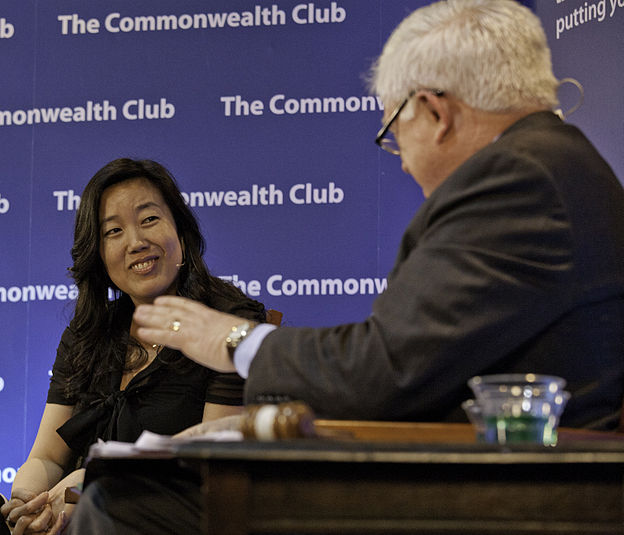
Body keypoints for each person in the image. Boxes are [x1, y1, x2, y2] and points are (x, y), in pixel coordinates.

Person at [68, 1, 624, 533]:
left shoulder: (514, 181)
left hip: (497, 488)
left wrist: (234, 339)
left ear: (434, 111)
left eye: (393, 136)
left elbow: (384, 370)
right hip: (493, 470)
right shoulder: (554, 164)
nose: (402, 160)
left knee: (125, 505)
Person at [0, 158, 265, 535]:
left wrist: (91, 486)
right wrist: (28, 503)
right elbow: (47, 457)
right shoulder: (89, 331)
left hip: (155, 518)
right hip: (65, 518)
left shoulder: (229, 321)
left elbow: (212, 463)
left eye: (149, 219)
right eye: (113, 231)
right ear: (100, 256)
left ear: (182, 235)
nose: (136, 242)